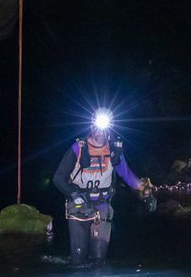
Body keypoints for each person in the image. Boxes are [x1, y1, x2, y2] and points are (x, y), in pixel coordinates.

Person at [53, 111, 154, 266]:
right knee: (78, 261)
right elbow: (58, 178)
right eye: (96, 125)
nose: (99, 131)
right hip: (80, 206)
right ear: (91, 126)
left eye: (103, 126)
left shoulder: (114, 150)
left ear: (110, 126)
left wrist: (146, 193)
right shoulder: (78, 148)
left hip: (102, 205)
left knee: (99, 260)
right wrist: (73, 193)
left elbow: (127, 175)